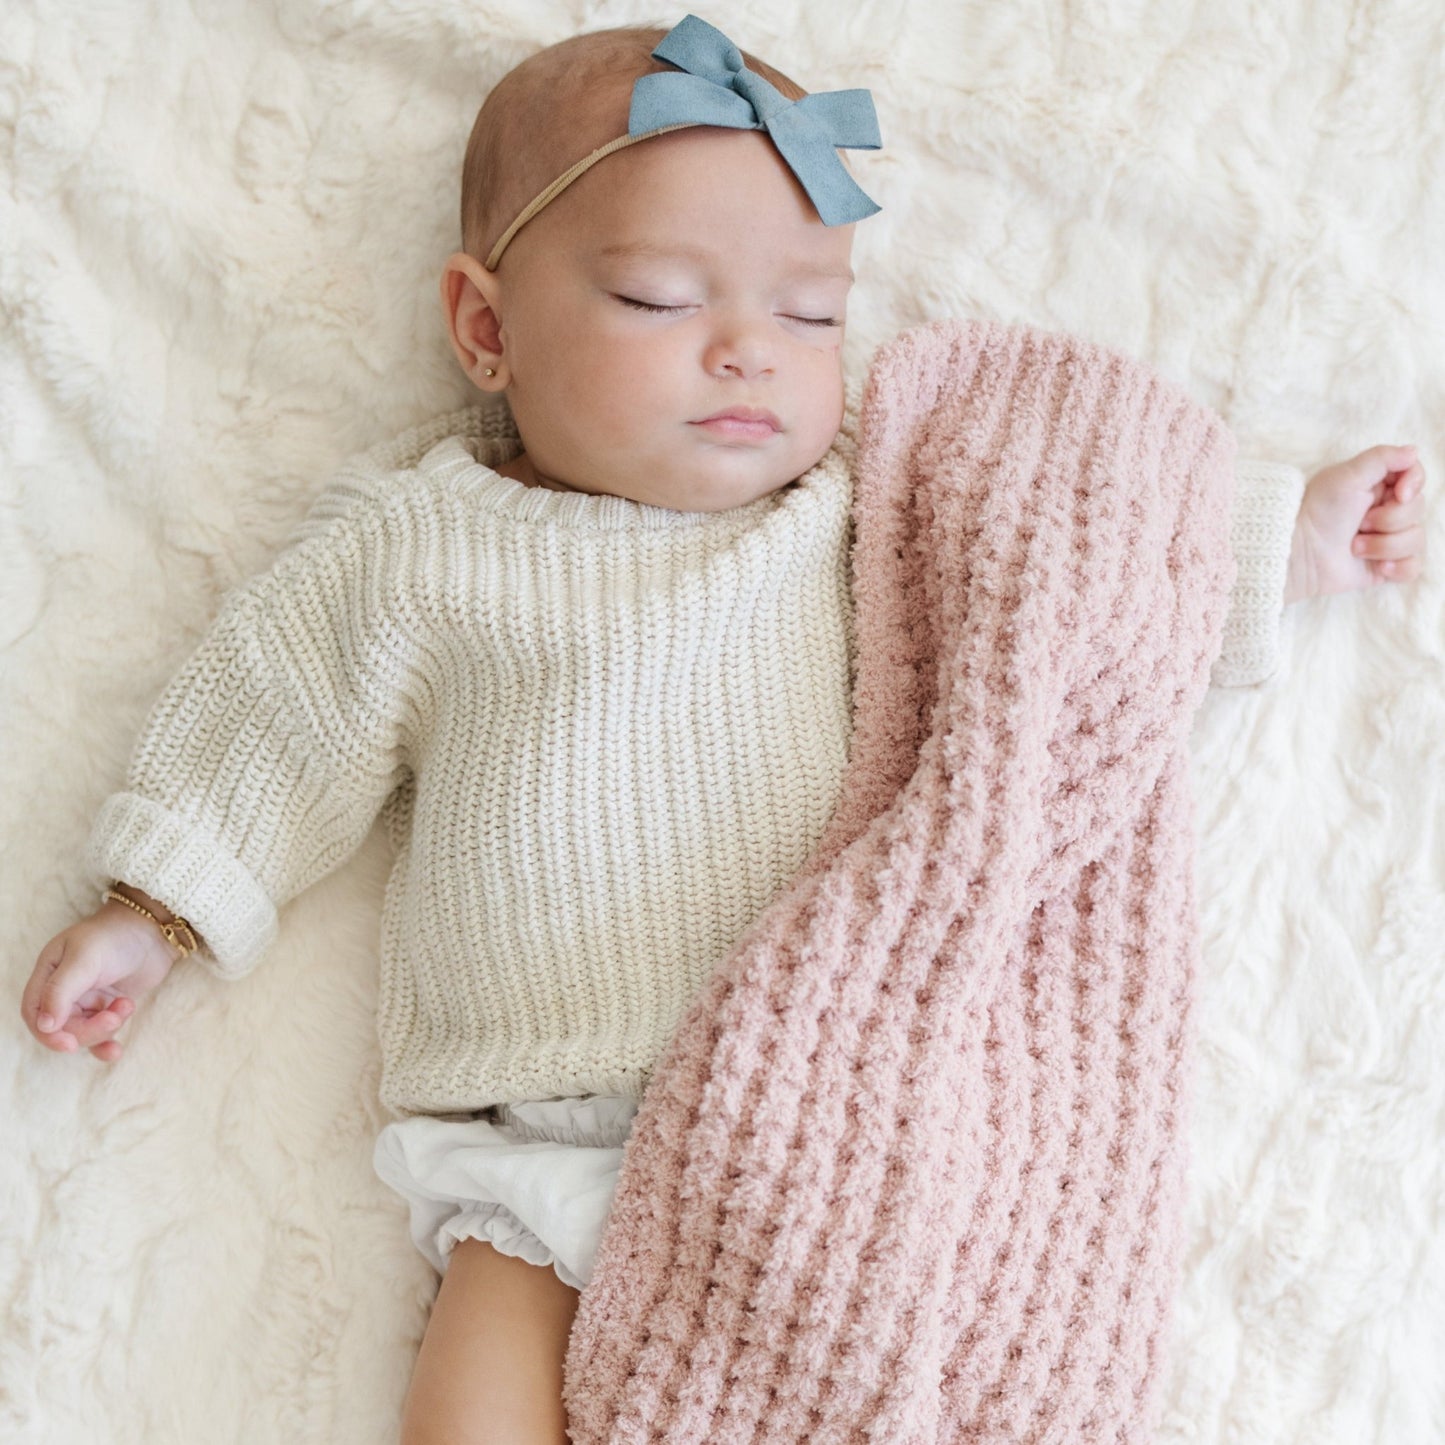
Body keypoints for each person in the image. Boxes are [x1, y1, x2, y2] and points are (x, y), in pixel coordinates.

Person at [16, 15, 1428, 1445]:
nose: (751, 352)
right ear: (488, 327)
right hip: (536, 1145)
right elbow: (279, 710)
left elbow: (1069, 565)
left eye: (810, 313)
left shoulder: (858, 517)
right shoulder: (421, 547)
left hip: (815, 1126)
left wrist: (1275, 534)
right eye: (655, 298)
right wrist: (156, 907)